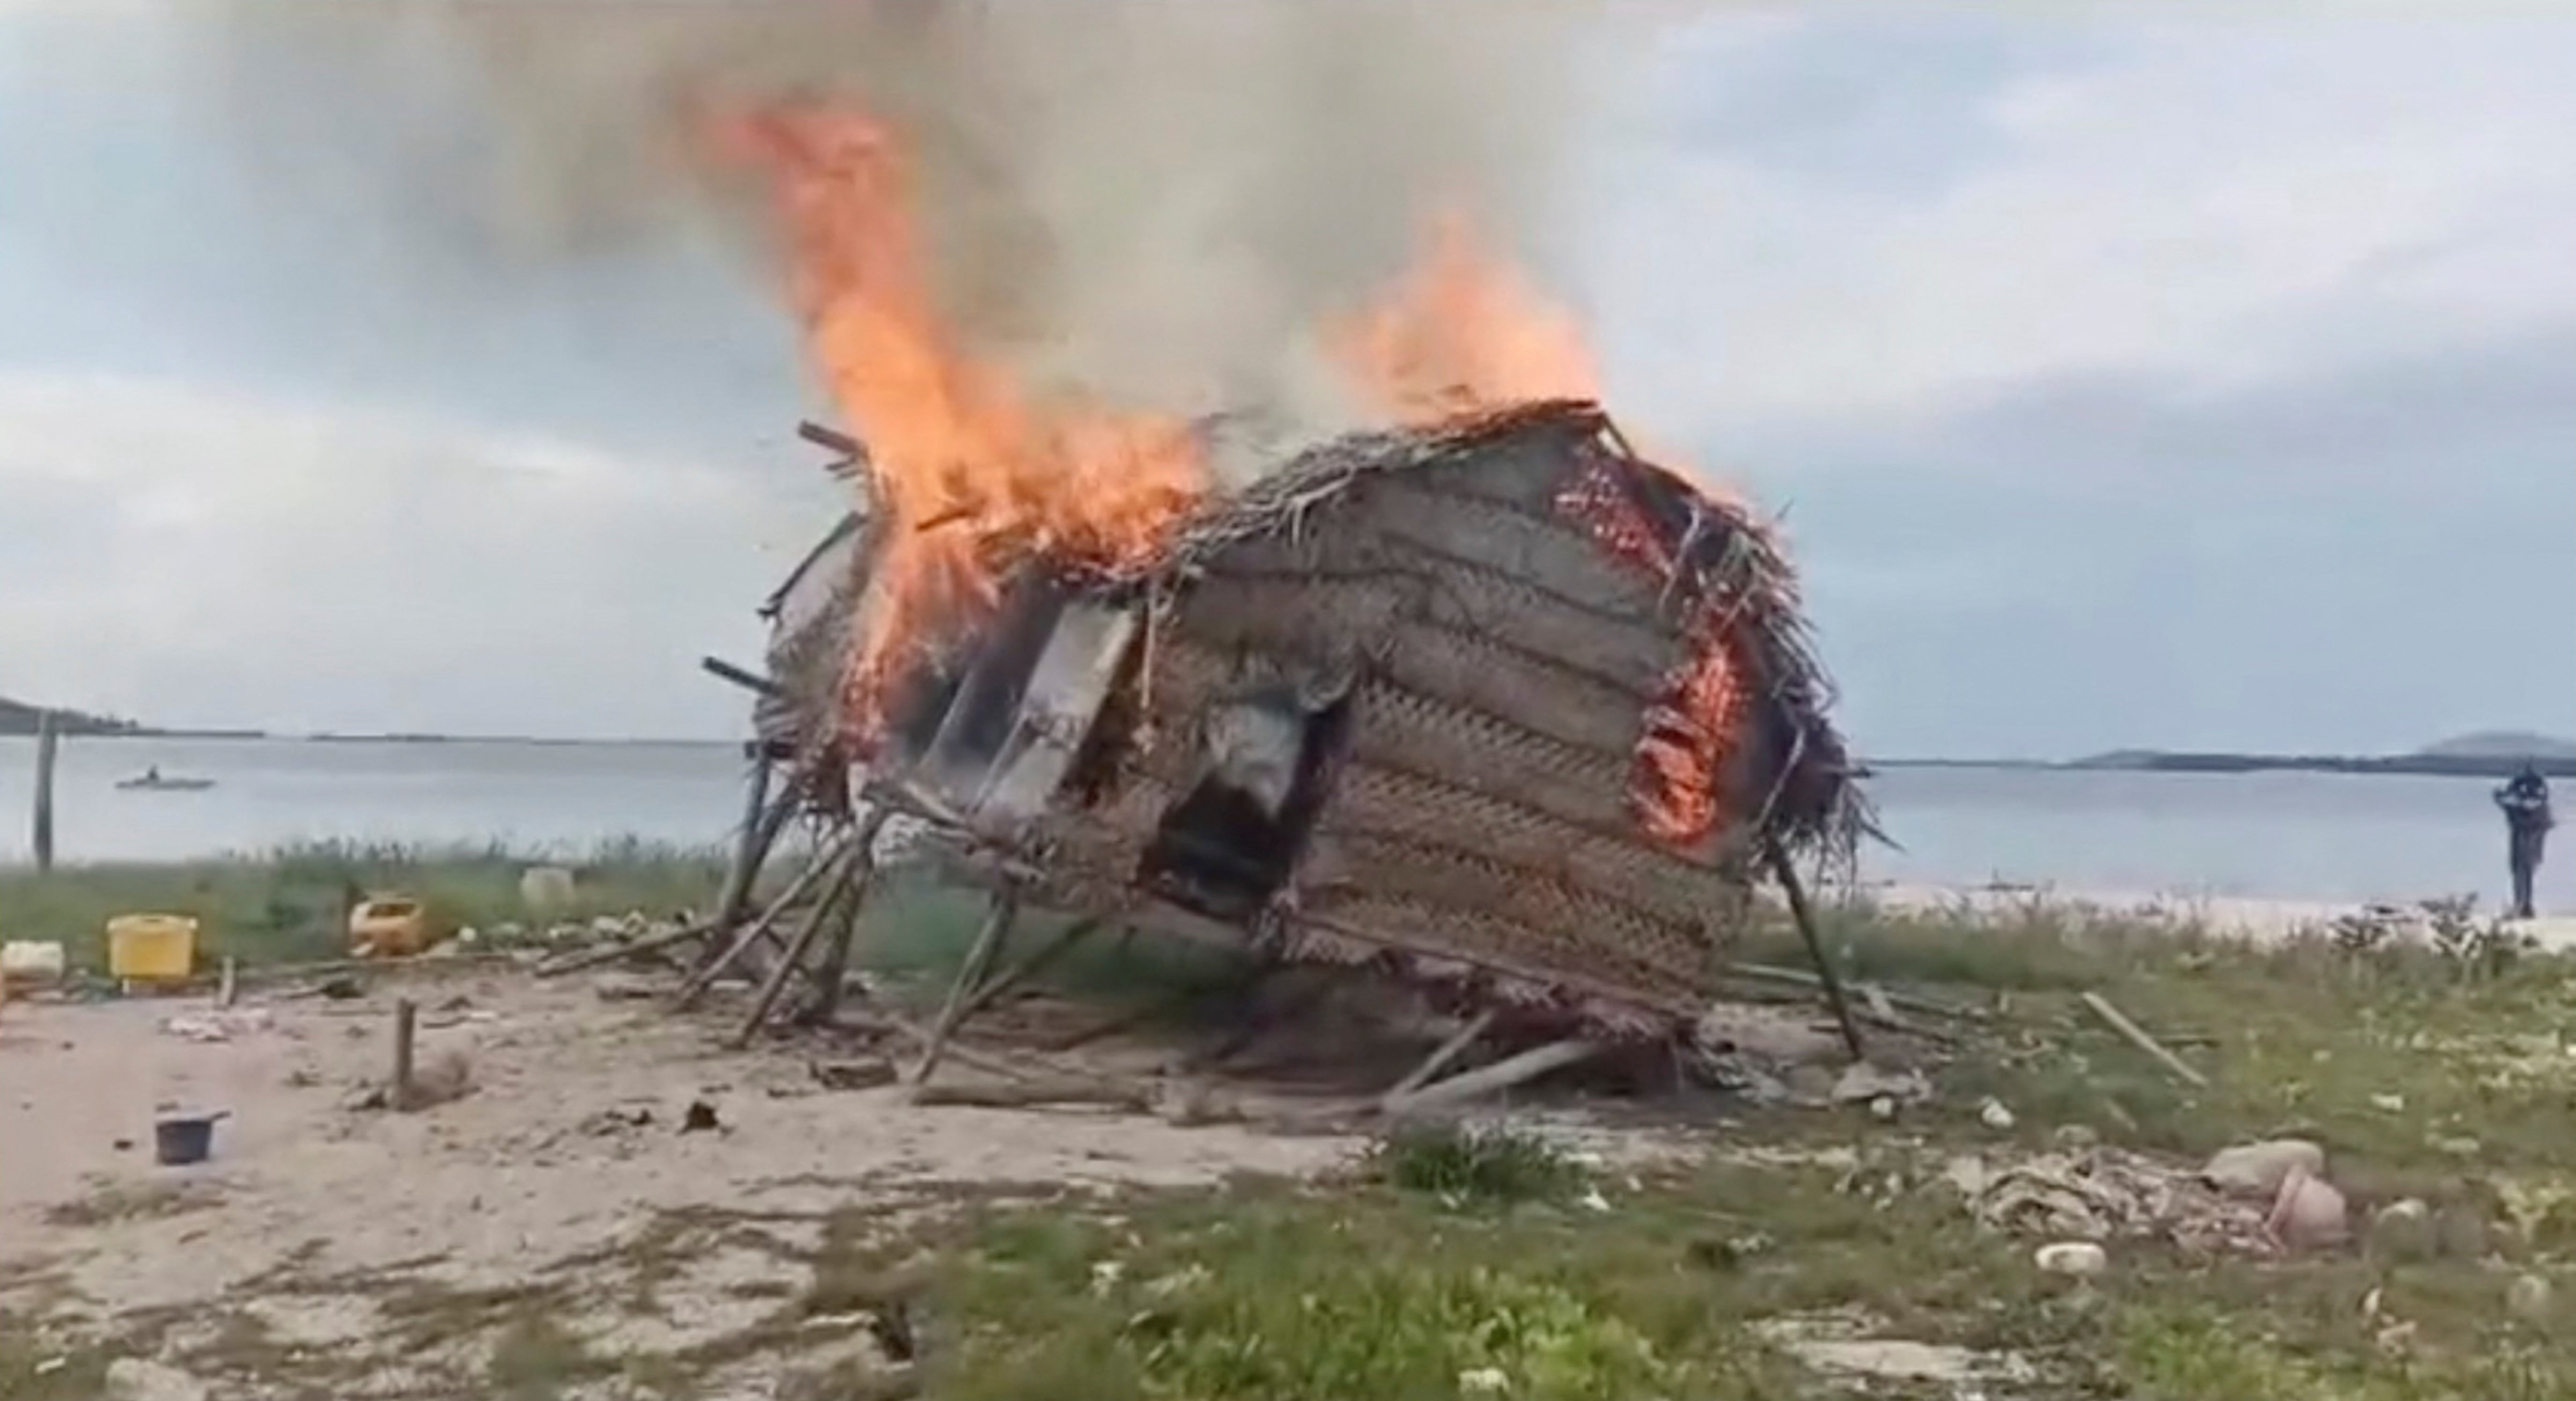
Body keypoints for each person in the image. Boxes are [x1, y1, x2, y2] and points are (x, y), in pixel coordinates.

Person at [2495, 764, 2555, 920]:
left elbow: (2502, 801)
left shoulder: (2521, 807)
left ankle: (2523, 905)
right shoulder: (2539, 809)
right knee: (2525, 872)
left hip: (2525, 840)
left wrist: (2503, 796)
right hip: (2529, 840)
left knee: (2522, 872)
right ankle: (2523, 905)